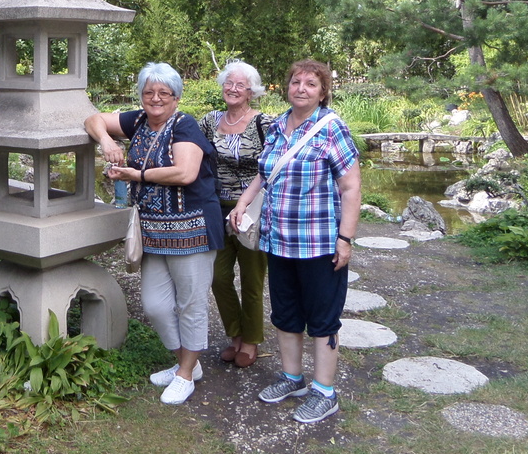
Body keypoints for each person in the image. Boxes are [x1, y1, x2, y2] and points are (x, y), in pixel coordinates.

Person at [230, 58, 361, 424]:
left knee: (322, 318)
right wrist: (242, 203)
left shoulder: (332, 128)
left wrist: (345, 238)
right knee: (286, 314)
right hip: (278, 240)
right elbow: (264, 174)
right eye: (296, 82)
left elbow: (351, 187)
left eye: (311, 84)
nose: (301, 88)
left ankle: (325, 392)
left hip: (318, 243)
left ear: (323, 92)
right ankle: (292, 378)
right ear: (287, 87)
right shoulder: (277, 125)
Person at [85, 62, 223, 405]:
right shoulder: (138, 121)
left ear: (176, 97)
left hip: (192, 229)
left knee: (190, 303)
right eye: (149, 92)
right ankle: (187, 363)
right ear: (141, 95)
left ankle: (186, 374)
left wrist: (135, 175)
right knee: (156, 305)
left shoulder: (184, 125)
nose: (156, 98)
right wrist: (106, 141)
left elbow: (185, 173)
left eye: (164, 93)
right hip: (154, 231)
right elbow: (93, 119)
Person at [199, 60, 273, 368]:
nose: (232, 89)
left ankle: (251, 340)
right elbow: (193, 153)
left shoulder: (264, 123)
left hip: (253, 210)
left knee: (252, 279)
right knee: (218, 277)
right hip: (217, 208)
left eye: (240, 85)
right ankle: (235, 335)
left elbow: (273, 167)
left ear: (251, 92)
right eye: (228, 83)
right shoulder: (210, 121)